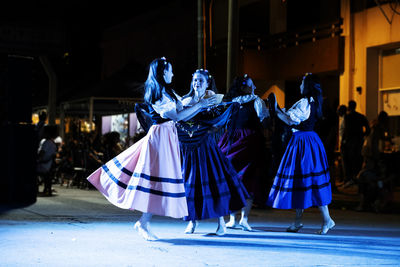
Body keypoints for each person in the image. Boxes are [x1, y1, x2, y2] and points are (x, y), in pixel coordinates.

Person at [87, 57, 217, 241]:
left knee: (158, 181)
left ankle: (144, 222)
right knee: (155, 180)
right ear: (163, 72)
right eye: (170, 70)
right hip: (160, 138)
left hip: (167, 137)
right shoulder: (158, 94)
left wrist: (201, 100)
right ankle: (143, 222)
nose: (173, 74)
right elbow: (178, 116)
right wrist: (200, 105)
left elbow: (184, 108)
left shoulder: (168, 92)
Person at [177, 69, 248, 236]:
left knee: (214, 183)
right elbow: (179, 119)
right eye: (195, 80)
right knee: (189, 185)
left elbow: (219, 123)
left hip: (206, 146)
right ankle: (192, 222)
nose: (197, 83)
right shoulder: (185, 100)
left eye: (200, 80)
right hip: (189, 148)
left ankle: (221, 223)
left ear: (208, 83)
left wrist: (210, 125)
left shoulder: (214, 100)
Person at [267, 73, 335, 235]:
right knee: (304, 181)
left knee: (307, 180)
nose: (300, 85)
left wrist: (276, 111)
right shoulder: (315, 101)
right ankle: (301, 221)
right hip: (308, 141)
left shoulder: (305, 102)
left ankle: (326, 219)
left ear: (307, 86)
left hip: (303, 142)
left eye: (302, 83)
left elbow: (291, 121)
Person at [218, 74, 269, 231]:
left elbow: (263, 120)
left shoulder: (251, 101)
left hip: (241, 141)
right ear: (243, 86)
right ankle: (237, 218)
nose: (253, 87)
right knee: (238, 179)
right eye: (251, 84)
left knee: (245, 179)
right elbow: (264, 122)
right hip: (240, 140)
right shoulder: (239, 102)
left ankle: (241, 219)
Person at [341, 100, 371, 188]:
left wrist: (343, 140)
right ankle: (356, 178)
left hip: (349, 141)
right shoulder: (361, 116)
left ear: (349, 107)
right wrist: (363, 135)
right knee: (358, 160)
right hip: (359, 141)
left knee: (349, 161)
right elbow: (368, 128)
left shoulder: (347, 117)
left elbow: (345, 130)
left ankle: (349, 179)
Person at [36, 125, 59, 196]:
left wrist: (37, 159)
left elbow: (42, 154)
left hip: (43, 165)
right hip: (48, 165)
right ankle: (47, 189)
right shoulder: (53, 144)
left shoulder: (46, 143)